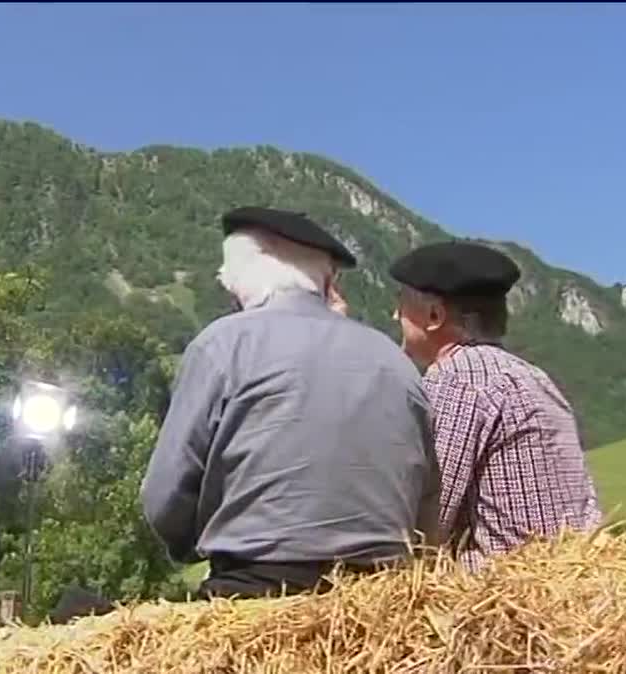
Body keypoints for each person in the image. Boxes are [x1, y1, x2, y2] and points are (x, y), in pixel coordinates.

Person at [140, 206, 441, 600]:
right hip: (378, 601)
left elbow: (164, 496)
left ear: (239, 277)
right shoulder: (396, 362)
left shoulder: (223, 344)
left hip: (255, 591)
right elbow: (428, 503)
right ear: (327, 279)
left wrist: (189, 547)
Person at [386, 240, 602, 570]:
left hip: (503, 588)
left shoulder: (460, 375)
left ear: (434, 315)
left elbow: (429, 513)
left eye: (401, 304)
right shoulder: (532, 375)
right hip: (563, 578)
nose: (395, 314)